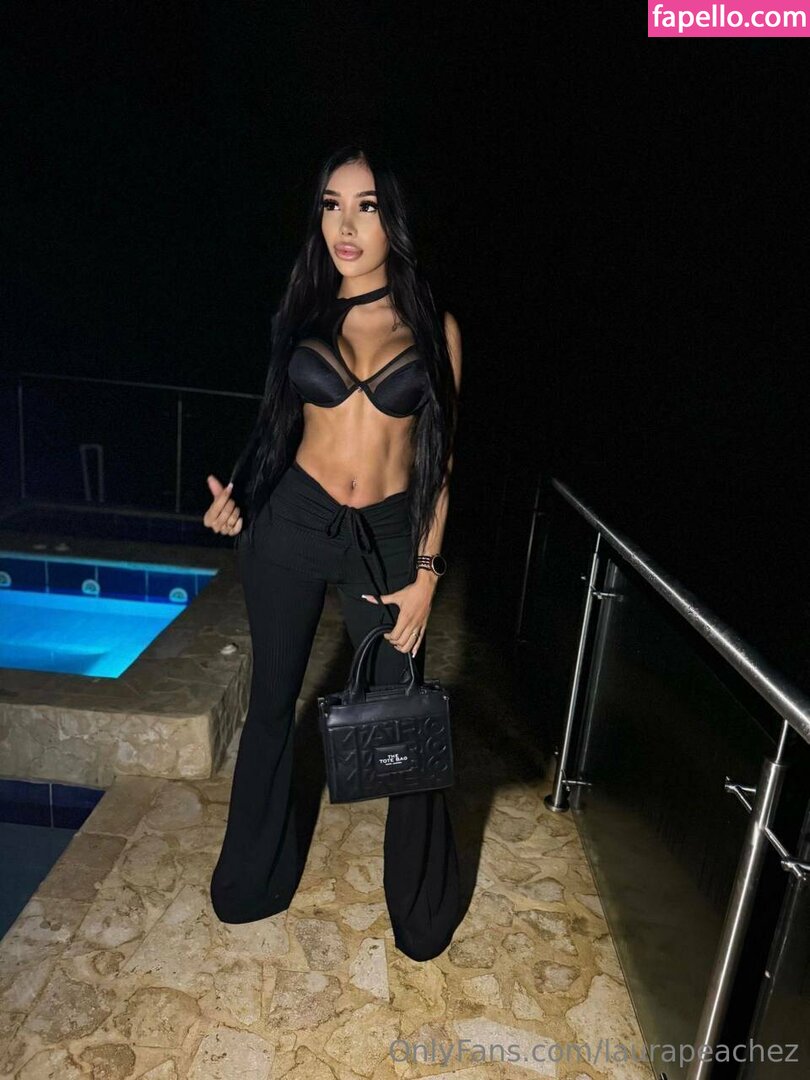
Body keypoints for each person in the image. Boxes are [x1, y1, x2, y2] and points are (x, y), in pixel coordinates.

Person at [203, 144, 463, 962]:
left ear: (394, 219)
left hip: (387, 535)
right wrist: (237, 498)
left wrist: (426, 576)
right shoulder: (305, 314)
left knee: (406, 713)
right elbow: (274, 427)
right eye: (330, 205)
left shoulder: (436, 330)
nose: (344, 225)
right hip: (290, 522)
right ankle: (253, 881)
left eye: (365, 206)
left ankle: (421, 908)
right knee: (270, 706)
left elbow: (441, 465)